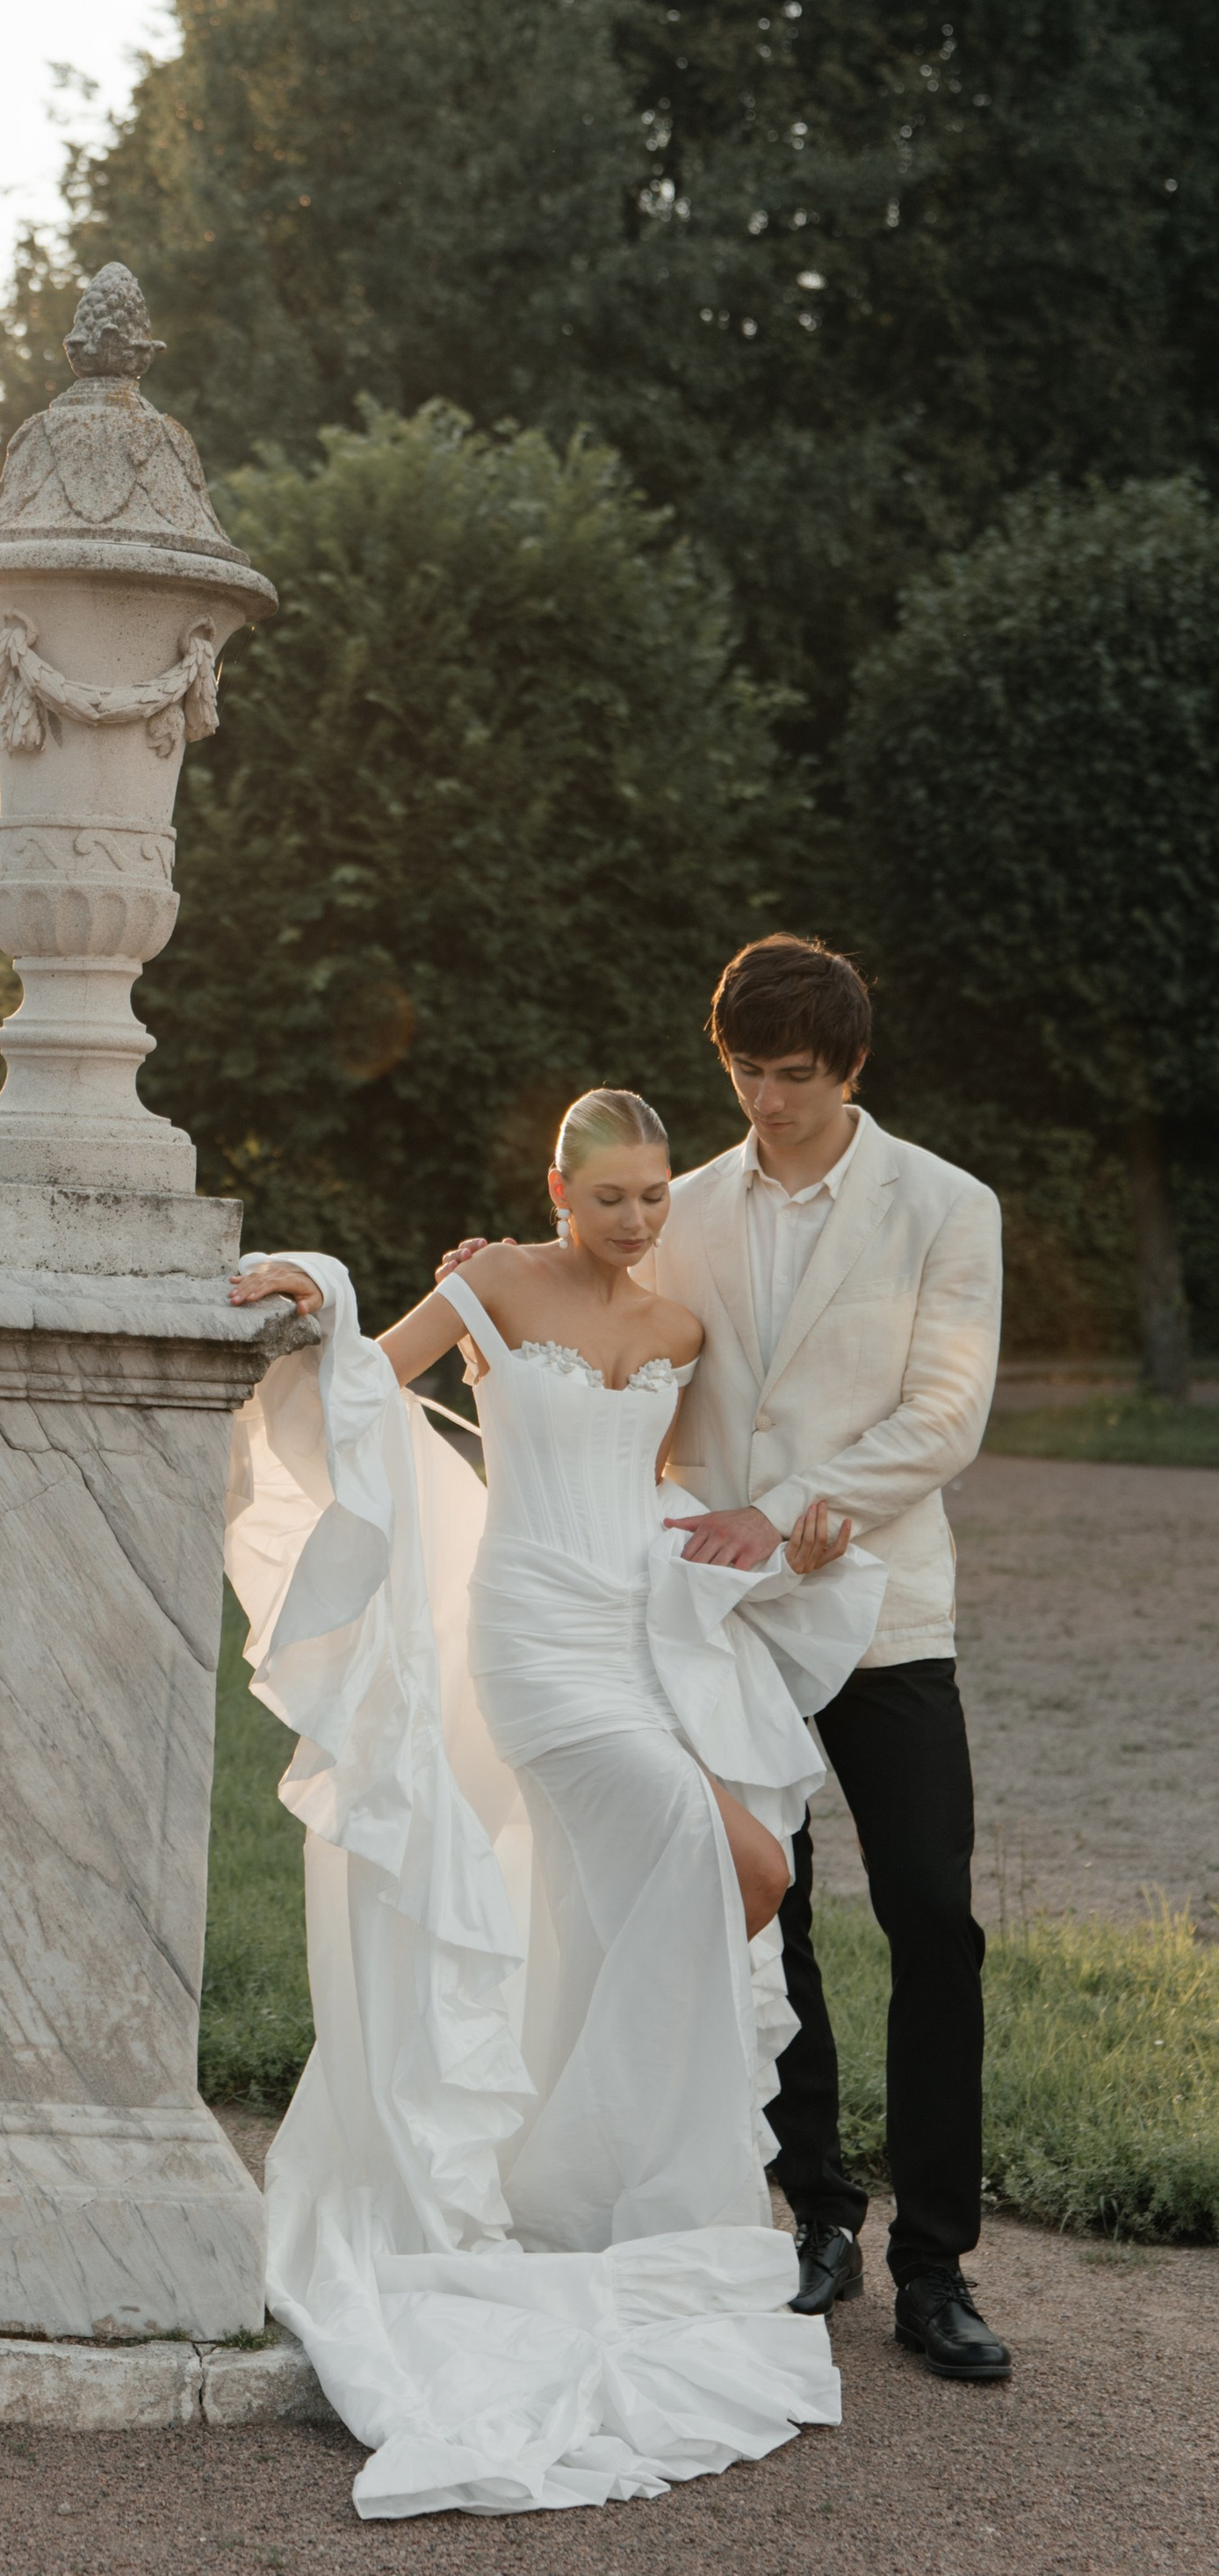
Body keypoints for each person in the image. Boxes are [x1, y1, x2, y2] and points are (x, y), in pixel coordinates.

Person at [226, 1086, 884, 2519]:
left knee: (736, 1879)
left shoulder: (680, 1331)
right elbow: (369, 1377)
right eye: (610, 1199)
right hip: (530, 1644)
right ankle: (612, 2182)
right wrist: (315, 1286)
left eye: (654, 1197)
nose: (637, 1223)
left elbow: (669, 1493)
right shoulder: (491, 1280)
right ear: (556, 1190)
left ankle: (577, 2181)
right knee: (736, 1863)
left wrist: (794, 1541)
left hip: (633, 1632)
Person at [640, 934, 1008, 2379]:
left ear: (852, 1067)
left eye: (794, 1075)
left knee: (932, 1916)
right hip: (731, 1622)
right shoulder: (683, 1207)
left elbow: (945, 1416)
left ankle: (938, 2268)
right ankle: (819, 2219)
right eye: (744, 1071)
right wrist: (497, 1282)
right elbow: (612, 1328)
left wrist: (788, 1511)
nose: (767, 1099)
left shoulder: (948, 1206)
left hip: (884, 1607)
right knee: (763, 1908)